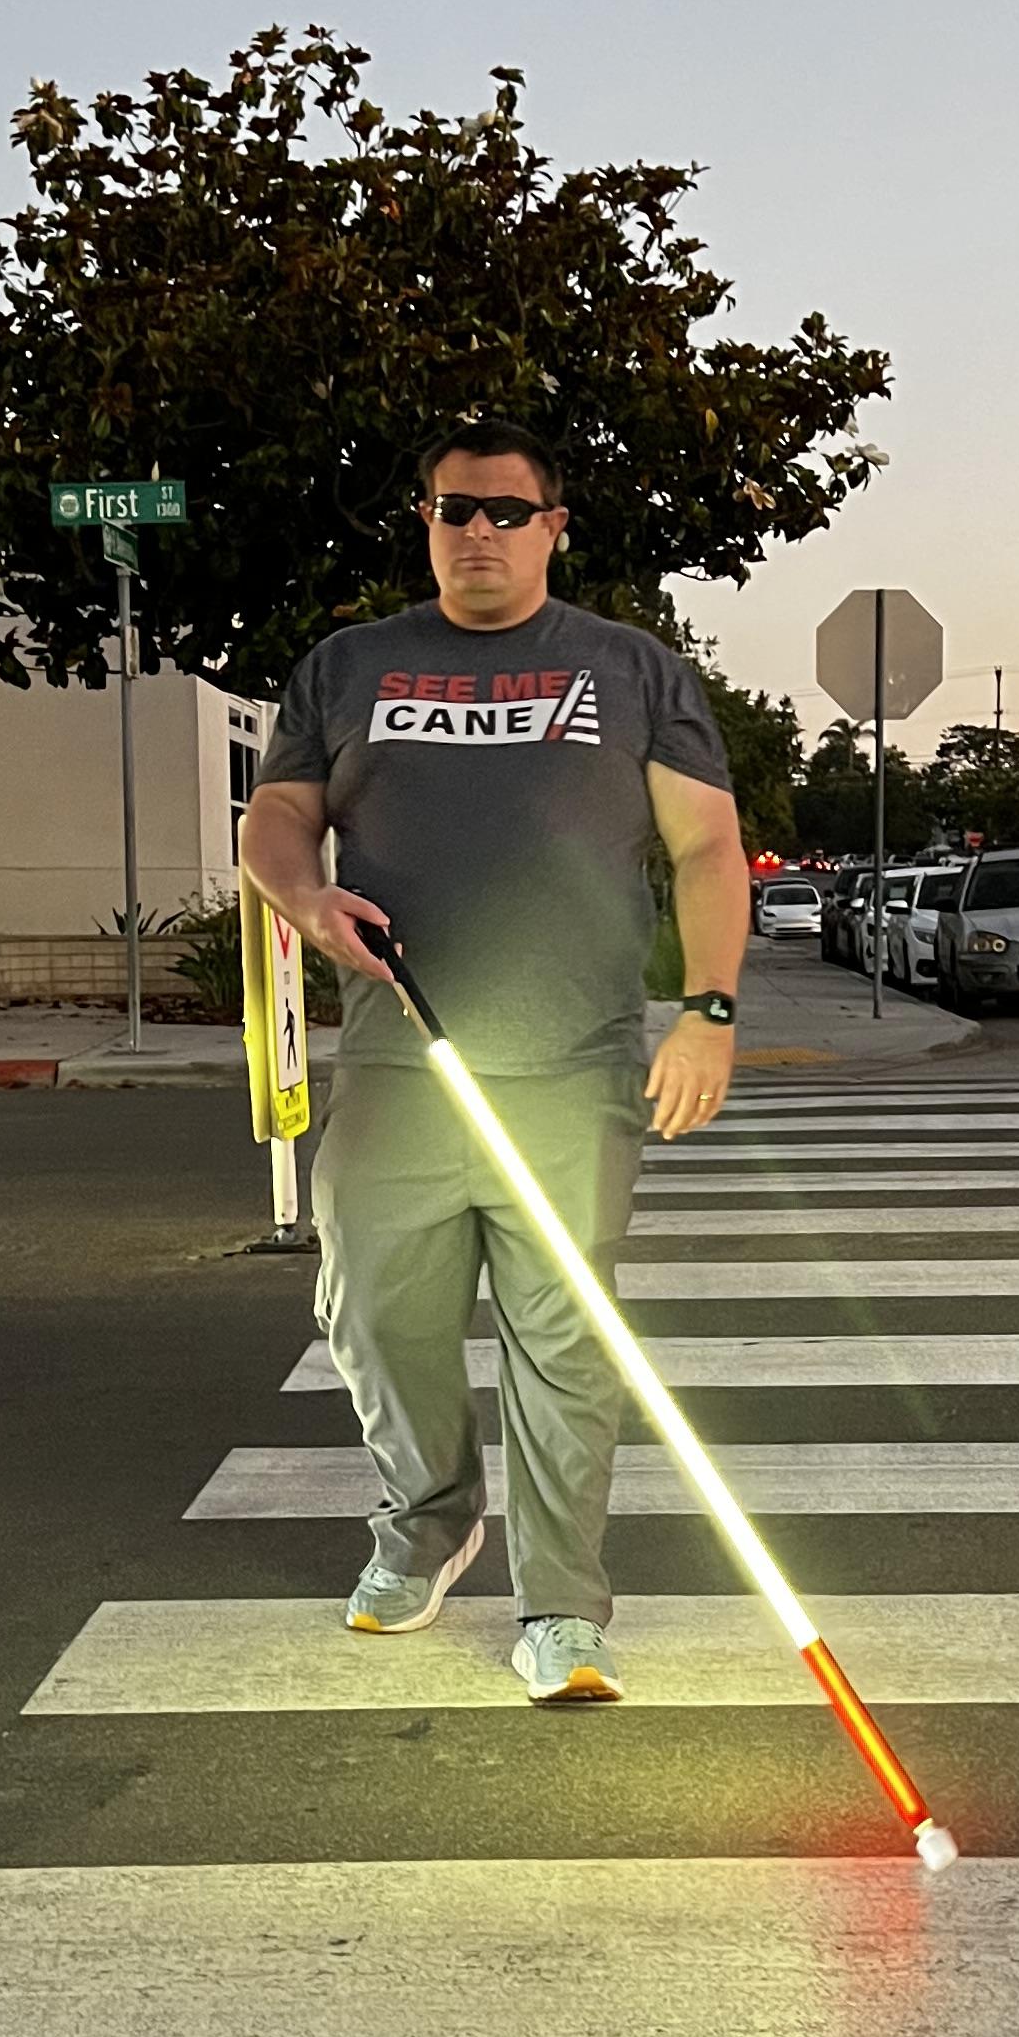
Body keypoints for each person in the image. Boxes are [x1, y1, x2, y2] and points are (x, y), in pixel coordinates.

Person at [239, 419, 751, 1704]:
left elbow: (704, 849)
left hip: (573, 1068)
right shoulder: (350, 666)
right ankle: (427, 1517)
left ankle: (563, 1607)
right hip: (403, 1058)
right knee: (370, 1310)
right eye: (455, 509)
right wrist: (307, 903)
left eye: (508, 512)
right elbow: (281, 816)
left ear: (553, 528)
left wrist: (710, 1010)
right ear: (425, 521)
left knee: (564, 1339)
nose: (479, 531)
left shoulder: (631, 671)